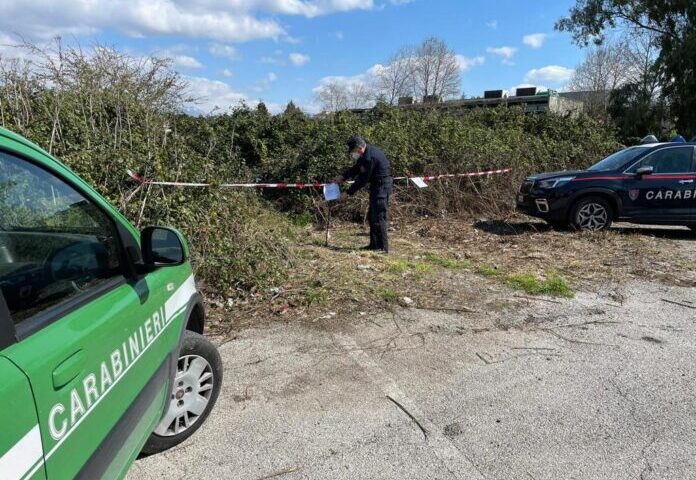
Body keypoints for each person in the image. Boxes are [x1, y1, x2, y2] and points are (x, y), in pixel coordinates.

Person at [333, 136, 393, 253]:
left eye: (353, 151)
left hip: (382, 186)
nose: (353, 154)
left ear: (359, 148)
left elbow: (363, 180)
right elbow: (357, 168)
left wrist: (347, 193)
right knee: (372, 215)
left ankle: (382, 248)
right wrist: (343, 177)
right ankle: (374, 245)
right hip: (377, 186)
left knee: (379, 217)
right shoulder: (366, 154)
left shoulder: (370, 157)